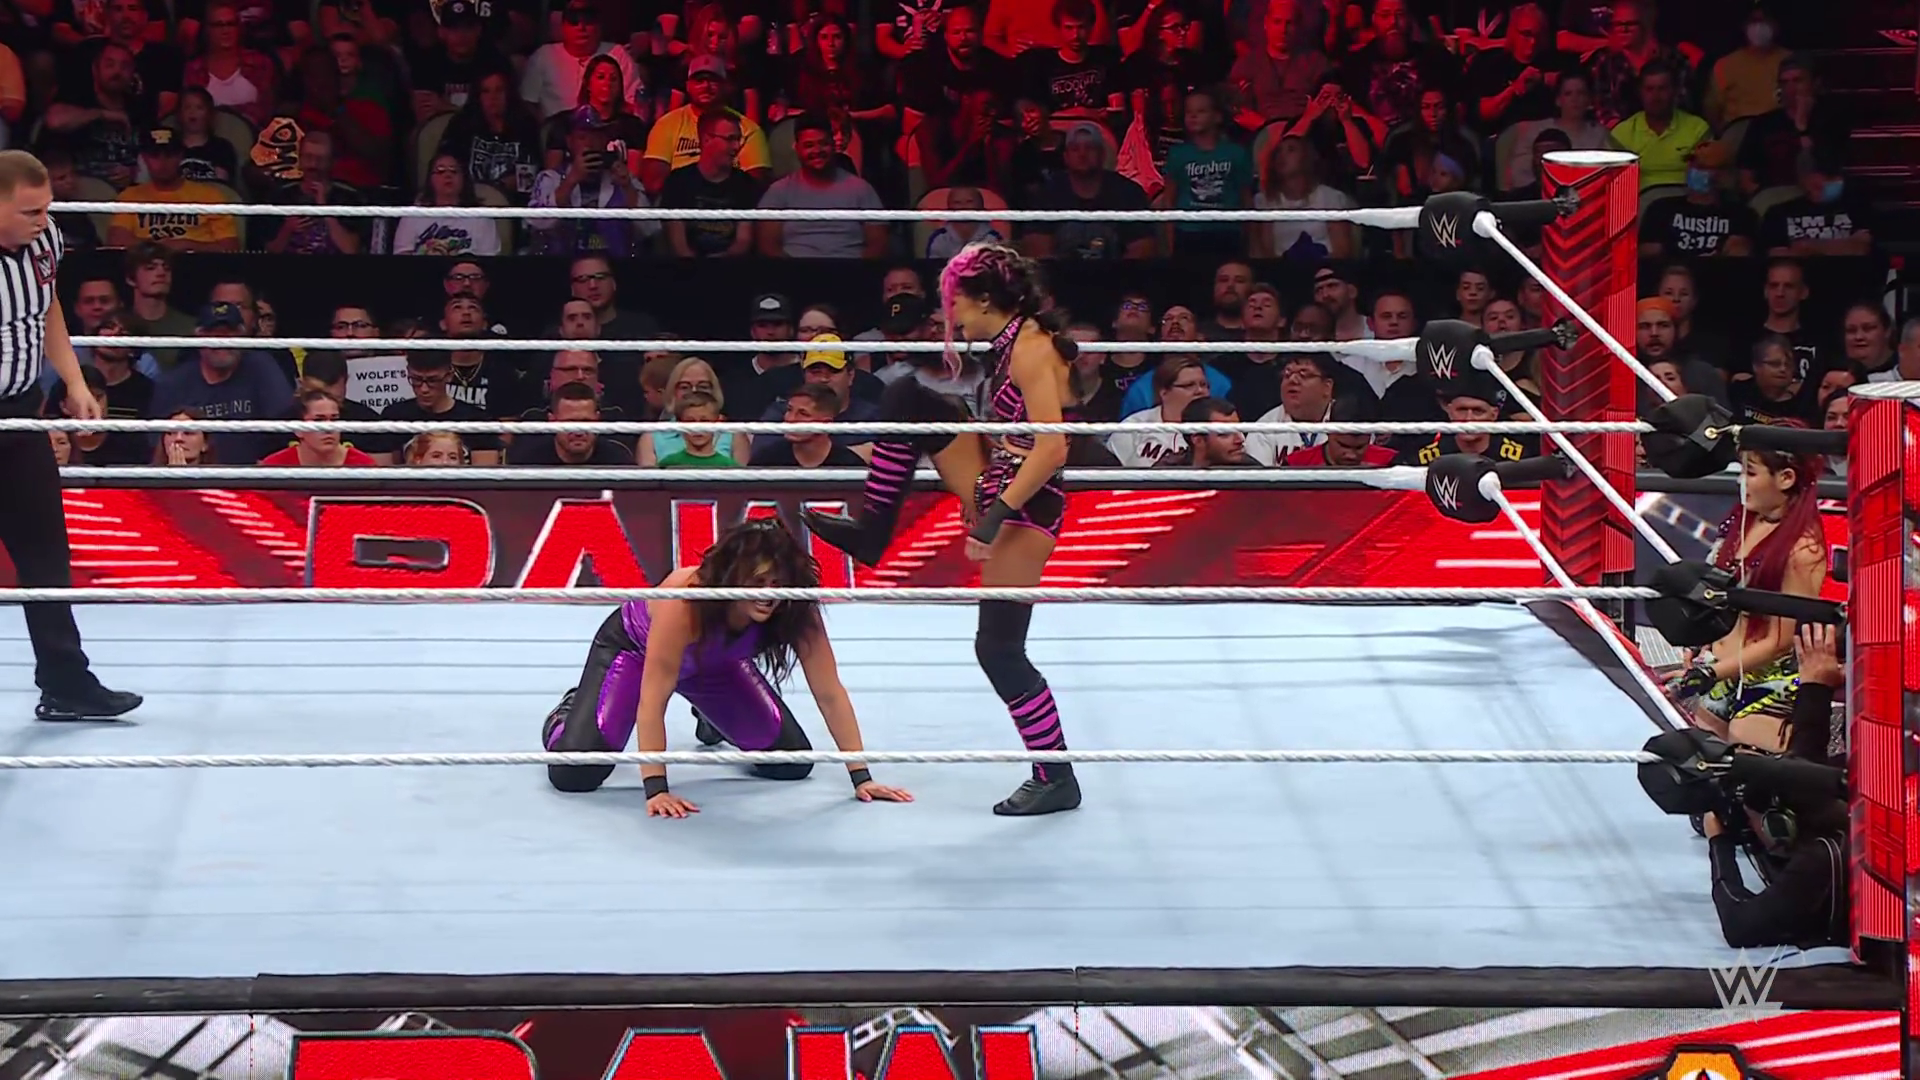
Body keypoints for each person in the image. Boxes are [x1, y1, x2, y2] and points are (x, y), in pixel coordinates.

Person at [803, 242, 1084, 817]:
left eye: (954, 301)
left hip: (1029, 502)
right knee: (908, 397)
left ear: (983, 299)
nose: (948, 314)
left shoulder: (1031, 348)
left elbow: (1053, 448)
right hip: (997, 473)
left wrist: (994, 515)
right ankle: (873, 534)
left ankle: (1056, 775)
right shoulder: (1008, 344)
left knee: (999, 648)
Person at [543, 518, 911, 818]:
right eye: (757, 583)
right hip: (636, 653)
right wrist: (657, 790)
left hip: (717, 666)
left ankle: (710, 716)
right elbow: (653, 700)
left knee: (790, 763)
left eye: (777, 583)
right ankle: (570, 709)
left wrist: (862, 778)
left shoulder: (796, 607)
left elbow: (829, 693)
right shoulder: (687, 599)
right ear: (734, 578)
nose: (768, 595)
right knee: (575, 773)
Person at [0, 151, 141, 720]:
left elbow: (47, 305)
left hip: (20, 414)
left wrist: (76, 381)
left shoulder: (45, 241)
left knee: (46, 555)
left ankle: (64, 683)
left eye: (47, 208)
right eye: (30, 211)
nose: (43, 219)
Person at [1668, 449, 1828, 750]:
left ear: (1785, 478)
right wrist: (1699, 646)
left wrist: (1710, 674)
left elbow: (1780, 641)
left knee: (1745, 743)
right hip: (1722, 667)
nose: (1741, 481)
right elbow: (1715, 592)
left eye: (1750, 473)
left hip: (1771, 679)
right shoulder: (1741, 521)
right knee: (1702, 758)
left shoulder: (1803, 549)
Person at [1702, 623, 1849, 949]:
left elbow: (1739, 926)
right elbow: (1805, 773)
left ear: (1778, 823)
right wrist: (1815, 686)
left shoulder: (1821, 859)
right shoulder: (1840, 791)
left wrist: (1719, 845)